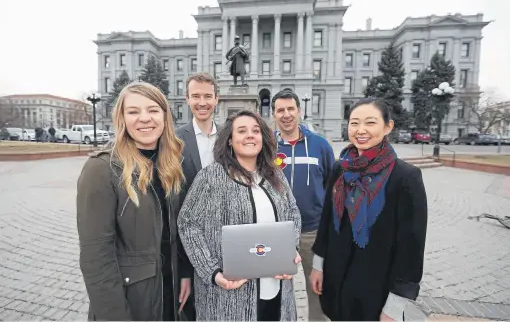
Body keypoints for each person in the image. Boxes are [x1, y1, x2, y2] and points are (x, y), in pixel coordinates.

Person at [76, 82, 193, 321]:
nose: (144, 119)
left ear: (164, 115)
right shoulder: (102, 169)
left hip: (169, 294)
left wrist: (184, 273)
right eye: (133, 111)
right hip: (131, 301)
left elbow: (175, 233)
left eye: (152, 110)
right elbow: (96, 258)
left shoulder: (170, 165)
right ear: (122, 118)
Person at [310, 98, 428, 321]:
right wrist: (318, 265)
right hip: (337, 280)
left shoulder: (405, 178)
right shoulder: (340, 168)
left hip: (376, 289)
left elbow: (411, 247)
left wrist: (396, 304)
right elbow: (327, 220)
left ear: (388, 127)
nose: (360, 130)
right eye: (354, 123)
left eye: (370, 123)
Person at [178, 110, 302, 321]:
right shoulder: (211, 177)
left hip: (276, 287)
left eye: (256, 131)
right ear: (229, 141)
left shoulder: (276, 175)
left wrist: (292, 250)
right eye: (242, 131)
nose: (250, 136)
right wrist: (213, 272)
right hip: (229, 297)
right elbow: (187, 224)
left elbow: (293, 212)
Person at [271, 89, 335, 321]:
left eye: (291, 109)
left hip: (312, 232)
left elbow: (332, 186)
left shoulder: (320, 145)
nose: (286, 115)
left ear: (299, 111)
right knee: (274, 290)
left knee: (318, 288)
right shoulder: (267, 146)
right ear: (274, 114)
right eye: (280, 110)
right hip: (277, 233)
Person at [175, 72, 219, 320]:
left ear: (216, 99)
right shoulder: (174, 140)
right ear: (187, 99)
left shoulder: (229, 137)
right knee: (190, 309)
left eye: (207, 96)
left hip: (222, 237)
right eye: (196, 96)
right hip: (187, 237)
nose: (202, 102)